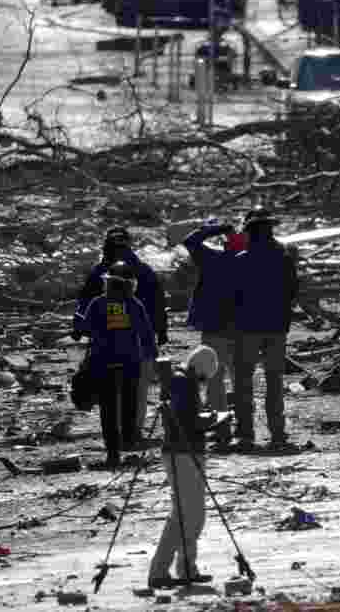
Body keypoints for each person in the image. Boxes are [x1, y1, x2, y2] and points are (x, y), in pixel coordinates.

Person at [75, 226, 168, 448]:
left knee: (108, 404)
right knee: (133, 399)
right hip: (131, 357)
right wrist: (156, 345)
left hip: (102, 359)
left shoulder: (99, 295)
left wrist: (81, 329)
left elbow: (85, 320)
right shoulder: (136, 294)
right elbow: (149, 322)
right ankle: (131, 437)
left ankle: (113, 449)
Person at [148, 345, 223, 589]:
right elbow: (186, 421)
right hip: (182, 454)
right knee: (185, 516)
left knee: (192, 515)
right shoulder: (183, 383)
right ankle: (160, 571)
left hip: (185, 453)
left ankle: (187, 568)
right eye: (204, 378)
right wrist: (214, 419)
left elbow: (184, 417)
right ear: (200, 369)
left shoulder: (183, 380)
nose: (203, 383)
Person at [74, 262, 159, 468]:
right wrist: (153, 357)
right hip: (130, 362)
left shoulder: (98, 303)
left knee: (108, 409)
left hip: (103, 362)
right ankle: (129, 443)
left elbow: (85, 330)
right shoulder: (134, 304)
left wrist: (78, 321)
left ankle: (112, 453)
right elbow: (146, 333)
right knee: (129, 405)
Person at [231, 207, 299, 450]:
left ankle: (246, 434)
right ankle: (278, 433)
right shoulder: (284, 259)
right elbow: (293, 292)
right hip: (276, 327)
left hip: (247, 328)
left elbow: (232, 297)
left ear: (249, 232)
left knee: (243, 382)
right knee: (274, 381)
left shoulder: (240, 261)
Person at [181, 220, 247, 447]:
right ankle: (245, 430)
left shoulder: (213, 259)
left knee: (215, 382)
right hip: (243, 330)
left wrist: (216, 229)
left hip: (215, 329)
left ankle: (222, 431)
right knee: (242, 381)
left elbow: (189, 241)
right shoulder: (250, 263)